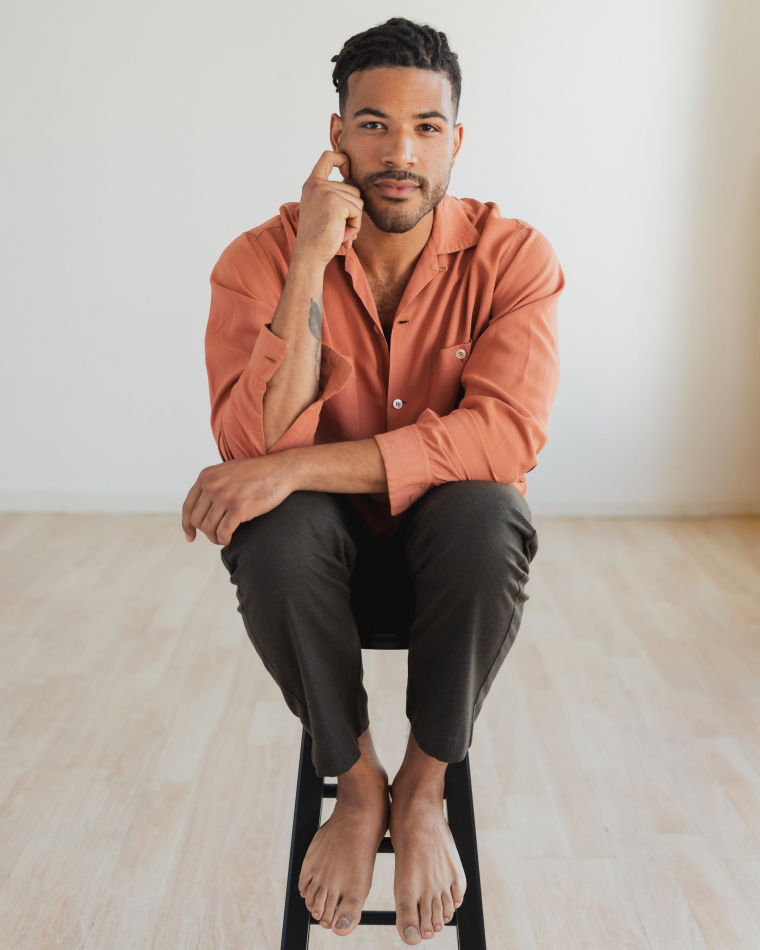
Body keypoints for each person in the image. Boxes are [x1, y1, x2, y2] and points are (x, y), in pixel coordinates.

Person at [181, 16, 563, 946]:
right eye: (374, 125)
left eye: (426, 128)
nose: (400, 154)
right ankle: (356, 787)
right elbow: (252, 443)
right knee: (273, 531)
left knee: (488, 514)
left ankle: (424, 789)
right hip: (313, 575)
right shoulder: (258, 259)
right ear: (336, 136)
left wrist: (295, 467)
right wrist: (309, 262)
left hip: (454, 568)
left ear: (456, 140)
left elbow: (507, 438)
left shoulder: (515, 258)